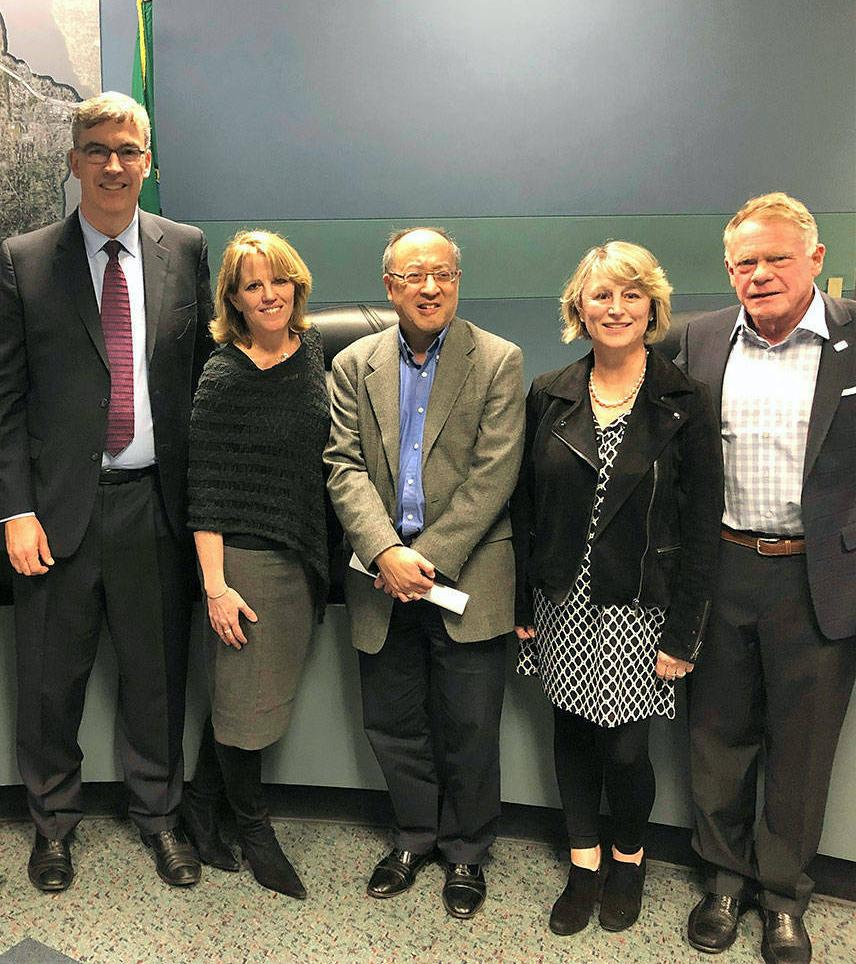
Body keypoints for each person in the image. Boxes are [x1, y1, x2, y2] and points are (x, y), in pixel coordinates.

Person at [0, 91, 213, 891]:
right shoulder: (23, 258)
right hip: (53, 514)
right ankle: (53, 825)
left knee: (157, 676)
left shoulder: (185, 247)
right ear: (74, 160)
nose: (114, 165)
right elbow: (1, 397)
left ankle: (160, 816)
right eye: (98, 149)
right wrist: (12, 508)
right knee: (51, 683)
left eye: (129, 150)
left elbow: (200, 379)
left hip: (156, 505)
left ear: (147, 161)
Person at [511, 241, 722, 935]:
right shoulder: (550, 392)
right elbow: (525, 508)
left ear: (653, 306)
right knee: (571, 733)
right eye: (601, 295)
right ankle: (584, 864)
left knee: (628, 748)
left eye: (631, 294)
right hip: (563, 600)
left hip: (643, 604)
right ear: (580, 307)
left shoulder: (685, 400)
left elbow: (699, 526)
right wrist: (523, 606)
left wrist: (684, 631)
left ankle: (628, 863)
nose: (616, 307)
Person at [676, 193, 856, 964]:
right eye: (746, 262)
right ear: (728, 270)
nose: (761, 273)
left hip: (819, 582)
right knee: (718, 736)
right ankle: (723, 880)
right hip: (722, 569)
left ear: (816, 260)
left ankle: (783, 895)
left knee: (802, 749)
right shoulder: (699, 340)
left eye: (778, 257)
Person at [325, 227, 523, 918]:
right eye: (414, 275)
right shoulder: (353, 363)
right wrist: (386, 552)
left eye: (442, 273)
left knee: (470, 725)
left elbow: (494, 474)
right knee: (393, 720)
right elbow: (342, 466)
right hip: (380, 577)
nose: (430, 287)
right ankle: (414, 834)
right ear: (391, 286)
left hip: (467, 575)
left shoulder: (498, 360)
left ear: (458, 280)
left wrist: (425, 558)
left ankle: (466, 852)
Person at [182, 230, 329, 900]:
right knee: (245, 707)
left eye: (278, 280)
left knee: (254, 700)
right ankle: (254, 827)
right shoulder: (222, 374)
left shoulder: (316, 353)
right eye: (251, 285)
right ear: (233, 300)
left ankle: (198, 806)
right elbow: (204, 490)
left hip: (300, 553)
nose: (268, 294)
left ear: (295, 284)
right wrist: (215, 587)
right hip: (240, 560)